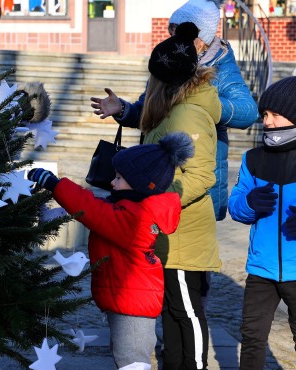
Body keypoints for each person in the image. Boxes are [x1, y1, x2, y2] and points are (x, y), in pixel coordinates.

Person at [27, 131, 195, 370]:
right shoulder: (135, 206)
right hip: (126, 301)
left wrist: (57, 184)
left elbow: (94, 212)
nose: (112, 181)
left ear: (138, 184)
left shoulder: (133, 218)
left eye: (119, 178)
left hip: (134, 306)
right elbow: (101, 204)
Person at [91, 0, 258, 223]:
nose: (172, 36)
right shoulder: (168, 58)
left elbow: (248, 111)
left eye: (178, 31)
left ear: (201, 38)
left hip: (192, 188)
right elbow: (147, 111)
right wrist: (123, 109)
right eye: (171, 30)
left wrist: (207, 105)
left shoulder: (221, 66)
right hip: (157, 176)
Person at [129, 21, 222, 370]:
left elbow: (201, 175)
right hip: (164, 231)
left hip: (183, 231)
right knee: (169, 308)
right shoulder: (172, 109)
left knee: (187, 310)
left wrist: (157, 200)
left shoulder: (188, 115)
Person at [199, 77, 296, 370]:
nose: (267, 122)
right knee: (252, 336)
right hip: (261, 268)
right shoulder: (254, 158)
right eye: (265, 115)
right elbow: (236, 206)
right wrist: (249, 203)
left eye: (275, 115)